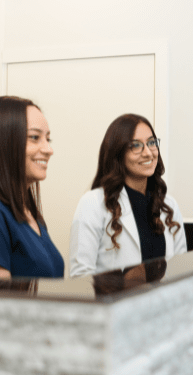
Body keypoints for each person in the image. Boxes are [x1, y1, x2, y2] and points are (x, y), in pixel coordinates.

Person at [0, 96, 64, 279]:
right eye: (34, 137)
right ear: (3, 142)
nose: (48, 149)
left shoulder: (29, 214)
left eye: (48, 139)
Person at [69, 113, 186, 277]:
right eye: (136, 146)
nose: (148, 153)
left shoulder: (169, 205)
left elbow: (180, 271)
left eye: (151, 143)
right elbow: (81, 275)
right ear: (118, 153)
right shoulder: (93, 203)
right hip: (115, 302)